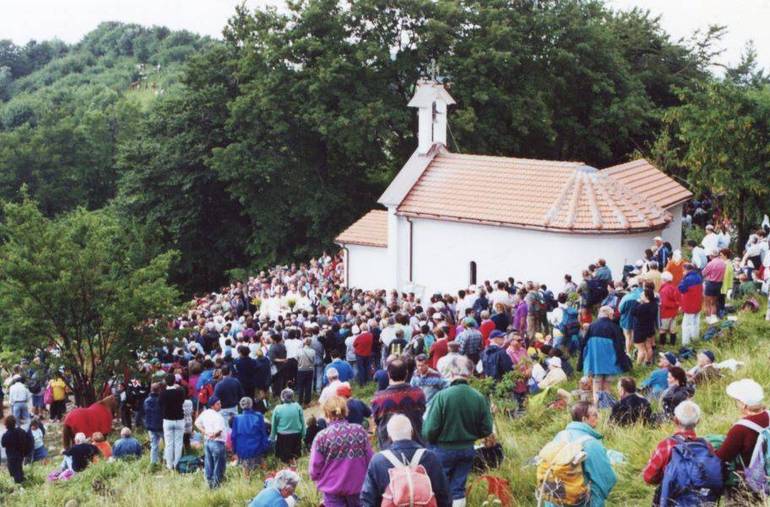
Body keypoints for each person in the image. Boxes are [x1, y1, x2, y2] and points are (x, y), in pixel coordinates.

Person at [423, 355, 493, 506]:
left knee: (440, 487)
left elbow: (429, 430)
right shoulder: (478, 397)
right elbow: (487, 428)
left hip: (443, 449)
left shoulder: (442, 396)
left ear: (452, 373)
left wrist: (433, 441)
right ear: (469, 373)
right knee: (458, 488)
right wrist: (471, 435)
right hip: (467, 449)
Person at [360, 414, 451, 507]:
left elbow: (368, 499)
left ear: (389, 436)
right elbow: (444, 496)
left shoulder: (378, 461)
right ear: (412, 432)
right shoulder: (430, 457)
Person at [643, 400, 721, 506]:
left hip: (673, 500)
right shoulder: (706, 445)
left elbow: (648, 477)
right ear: (698, 421)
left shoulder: (666, 445)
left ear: (675, 420)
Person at [544, 402, 617, 507]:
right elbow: (608, 479)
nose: (598, 418)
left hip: (555, 500)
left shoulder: (560, 436)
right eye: (595, 415)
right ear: (584, 419)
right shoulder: (591, 443)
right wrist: (596, 502)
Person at [310, 396, 373, 506]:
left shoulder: (321, 437)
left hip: (332, 490)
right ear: (345, 411)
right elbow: (370, 459)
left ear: (327, 413)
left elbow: (314, 470)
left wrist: (318, 479)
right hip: (358, 488)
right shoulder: (359, 431)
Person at [716, 379, 769, 477]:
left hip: (754, 476)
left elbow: (722, 457)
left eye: (737, 400)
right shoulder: (768, 415)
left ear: (744, 404)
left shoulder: (740, 428)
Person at [578, 306, 630, 405]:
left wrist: (583, 362)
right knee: (607, 384)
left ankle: (597, 405)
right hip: (610, 362)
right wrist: (623, 362)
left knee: (596, 383)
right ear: (609, 314)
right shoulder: (614, 327)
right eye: (612, 314)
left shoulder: (592, 326)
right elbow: (619, 346)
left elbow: (584, 345)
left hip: (595, 362)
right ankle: (606, 405)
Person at [371, 358, 427, 449]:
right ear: (406, 373)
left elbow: (376, 422)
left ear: (388, 374)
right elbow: (422, 413)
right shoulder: (419, 394)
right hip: (416, 447)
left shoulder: (378, 399)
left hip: (389, 450)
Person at [195, 395, 228, 489]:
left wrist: (205, 432)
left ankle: (209, 484)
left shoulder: (205, 413)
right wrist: (213, 435)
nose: (220, 405)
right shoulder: (218, 417)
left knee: (209, 464)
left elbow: (196, 423)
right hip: (217, 442)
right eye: (218, 404)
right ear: (213, 406)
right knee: (219, 465)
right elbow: (219, 430)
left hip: (207, 442)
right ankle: (216, 486)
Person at [230, 396, 269, 476]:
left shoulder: (237, 418)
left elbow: (233, 436)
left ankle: (246, 483)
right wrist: (265, 447)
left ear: (241, 405)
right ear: (251, 405)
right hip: (258, 448)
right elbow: (263, 433)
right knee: (262, 461)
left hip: (243, 450)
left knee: (245, 468)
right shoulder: (258, 416)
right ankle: (267, 476)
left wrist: (234, 451)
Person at [270, 388, 306, 465]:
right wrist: (303, 434)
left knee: (284, 459)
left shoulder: (278, 408)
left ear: (282, 397)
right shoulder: (297, 406)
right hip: (296, 435)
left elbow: (274, 424)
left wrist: (273, 436)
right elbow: (302, 421)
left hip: (283, 436)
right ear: (292, 397)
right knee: (295, 457)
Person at [159, 373, 185, 470]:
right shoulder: (180, 392)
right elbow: (182, 400)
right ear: (174, 381)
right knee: (178, 443)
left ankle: (169, 465)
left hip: (168, 419)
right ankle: (176, 463)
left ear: (166, 382)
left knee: (169, 443)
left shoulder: (163, 393)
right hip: (179, 419)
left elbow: (160, 404)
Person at [678, 263, 703, 346]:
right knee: (696, 322)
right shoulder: (699, 277)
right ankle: (695, 338)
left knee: (686, 325)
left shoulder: (687, 279)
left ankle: (686, 343)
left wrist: (683, 279)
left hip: (689, 304)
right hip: (697, 303)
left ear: (686, 270)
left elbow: (681, 289)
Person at [632, 287, 658, 366]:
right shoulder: (654, 305)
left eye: (642, 295)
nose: (641, 296)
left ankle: (638, 366)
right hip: (649, 328)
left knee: (641, 349)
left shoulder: (642, 307)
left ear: (646, 297)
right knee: (648, 347)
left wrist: (637, 302)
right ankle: (647, 362)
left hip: (640, 329)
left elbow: (633, 311)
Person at [2, 415, 30, 484]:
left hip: (11, 456)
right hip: (20, 454)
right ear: (15, 423)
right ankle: (23, 481)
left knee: (14, 472)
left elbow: (3, 444)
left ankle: (20, 485)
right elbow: (27, 440)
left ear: (6, 425)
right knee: (19, 469)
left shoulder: (6, 435)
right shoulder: (20, 431)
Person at [143, 382, 164, 466]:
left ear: (151, 390)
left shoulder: (146, 401)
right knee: (168, 444)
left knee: (154, 445)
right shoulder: (161, 400)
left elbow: (145, 412)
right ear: (159, 390)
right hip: (160, 426)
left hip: (150, 426)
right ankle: (165, 460)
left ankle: (153, 462)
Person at [658, 272, 680, 347]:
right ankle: (672, 345)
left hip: (665, 313)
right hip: (674, 313)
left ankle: (662, 345)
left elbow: (664, 303)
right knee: (672, 330)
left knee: (663, 329)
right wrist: (676, 306)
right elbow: (679, 300)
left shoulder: (664, 290)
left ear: (664, 280)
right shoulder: (675, 287)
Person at [702, 249, 726, 316]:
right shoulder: (723, 263)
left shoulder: (711, 263)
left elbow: (703, 273)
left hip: (710, 284)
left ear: (711, 255)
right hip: (719, 284)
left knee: (707, 303)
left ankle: (708, 319)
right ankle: (713, 319)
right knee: (714, 303)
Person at [296, 338, 316, 405]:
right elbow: (314, 361)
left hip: (301, 370)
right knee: (308, 385)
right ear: (310, 343)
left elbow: (296, 359)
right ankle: (307, 401)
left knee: (300, 386)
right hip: (310, 370)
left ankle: (300, 400)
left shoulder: (299, 351)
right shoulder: (313, 351)